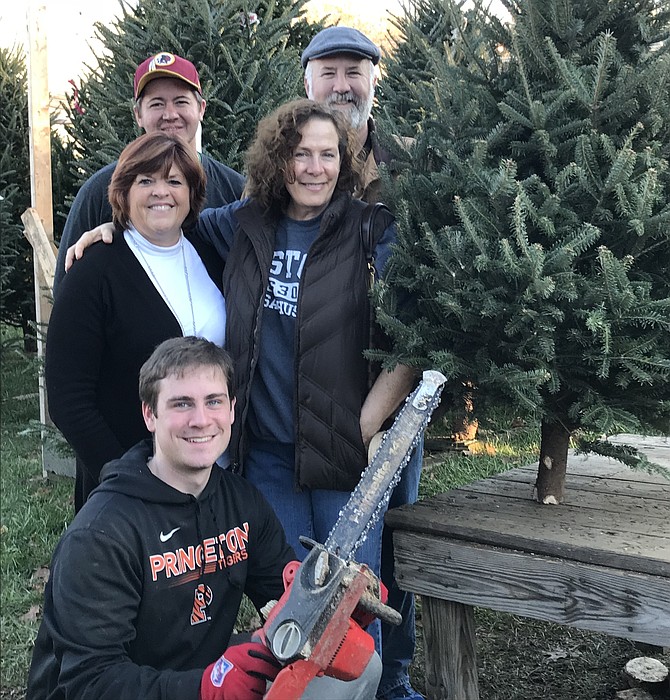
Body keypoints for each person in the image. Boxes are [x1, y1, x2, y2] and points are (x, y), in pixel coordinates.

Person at [65, 100, 417, 656]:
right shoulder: (242, 223)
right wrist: (113, 228)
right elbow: (166, 220)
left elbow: (413, 335)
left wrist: (367, 423)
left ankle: (359, 690)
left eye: (328, 155)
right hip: (266, 455)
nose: (314, 167)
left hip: (340, 451)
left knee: (351, 599)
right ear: (279, 161)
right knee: (290, 601)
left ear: (343, 164)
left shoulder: (370, 230)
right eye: (301, 154)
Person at [27, 336, 383, 700]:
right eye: (182, 404)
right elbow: (89, 683)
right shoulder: (102, 534)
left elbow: (287, 599)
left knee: (360, 669)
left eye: (213, 402)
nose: (201, 420)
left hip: (200, 677)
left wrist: (335, 609)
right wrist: (203, 688)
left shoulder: (241, 502)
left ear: (231, 409)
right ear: (150, 414)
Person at [302, 27, 424, 700]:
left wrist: (375, 413)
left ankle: (394, 676)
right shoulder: (294, 161)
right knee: (334, 551)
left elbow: (434, 299)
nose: (342, 82)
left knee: (393, 547)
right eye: (329, 71)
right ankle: (330, 673)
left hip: (393, 402)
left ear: (374, 79)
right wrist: (110, 225)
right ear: (308, 83)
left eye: (355, 69)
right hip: (318, 396)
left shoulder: (408, 166)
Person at [45, 131, 227, 513]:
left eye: (174, 181)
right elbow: (68, 398)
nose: (161, 191)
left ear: (192, 194)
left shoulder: (213, 255)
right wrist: (126, 478)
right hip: (131, 490)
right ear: (124, 192)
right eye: (146, 180)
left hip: (214, 477)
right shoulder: (94, 272)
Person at [52, 51, 244, 293]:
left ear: (201, 109)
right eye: (157, 104)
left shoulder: (234, 189)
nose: (170, 114)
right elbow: (67, 290)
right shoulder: (100, 190)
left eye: (181, 101)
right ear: (138, 115)